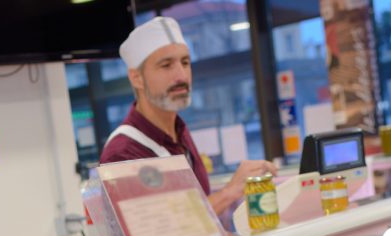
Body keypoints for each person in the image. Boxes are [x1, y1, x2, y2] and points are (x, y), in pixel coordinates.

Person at [100, 16, 277, 217]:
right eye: (166, 65)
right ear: (136, 78)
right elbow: (159, 232)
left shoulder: (180, 133)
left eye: (185, 62)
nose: (182, 76)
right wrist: (229, 193)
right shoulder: (122, 153)